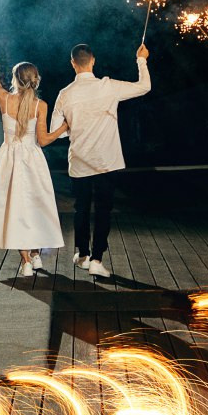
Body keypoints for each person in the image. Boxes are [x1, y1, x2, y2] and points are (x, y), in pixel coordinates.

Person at [51, 42, 151, 278]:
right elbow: (144, 86)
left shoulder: (65, 94)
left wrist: (72, 128)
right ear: (93, 61)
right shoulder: (108, 86)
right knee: (104, 209)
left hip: (79, 160)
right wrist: (141, 60)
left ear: (73, 63)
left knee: (81, 208)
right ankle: (97, 259)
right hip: (106, 160)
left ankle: (83, 254)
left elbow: (57, 130)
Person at [0, 38, 68, 277]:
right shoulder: (41, 105)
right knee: (36, 206)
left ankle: (27, 260)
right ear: (35, 79)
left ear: (16, 80)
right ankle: (35, 255)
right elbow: (45, 140)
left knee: (14, 208)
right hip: (32, 159)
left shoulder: (5, 99)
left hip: (9, 159)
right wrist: (64, 127)